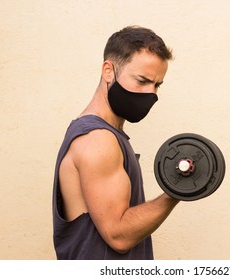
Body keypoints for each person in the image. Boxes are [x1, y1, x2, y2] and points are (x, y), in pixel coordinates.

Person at [52, 26, 179, 260]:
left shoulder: (107, 134)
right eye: (142, 80)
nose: (151, 93)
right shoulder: (97, 139)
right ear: (108, 71)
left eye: (157, 85)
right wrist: (175, 192)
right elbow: (118, 235)